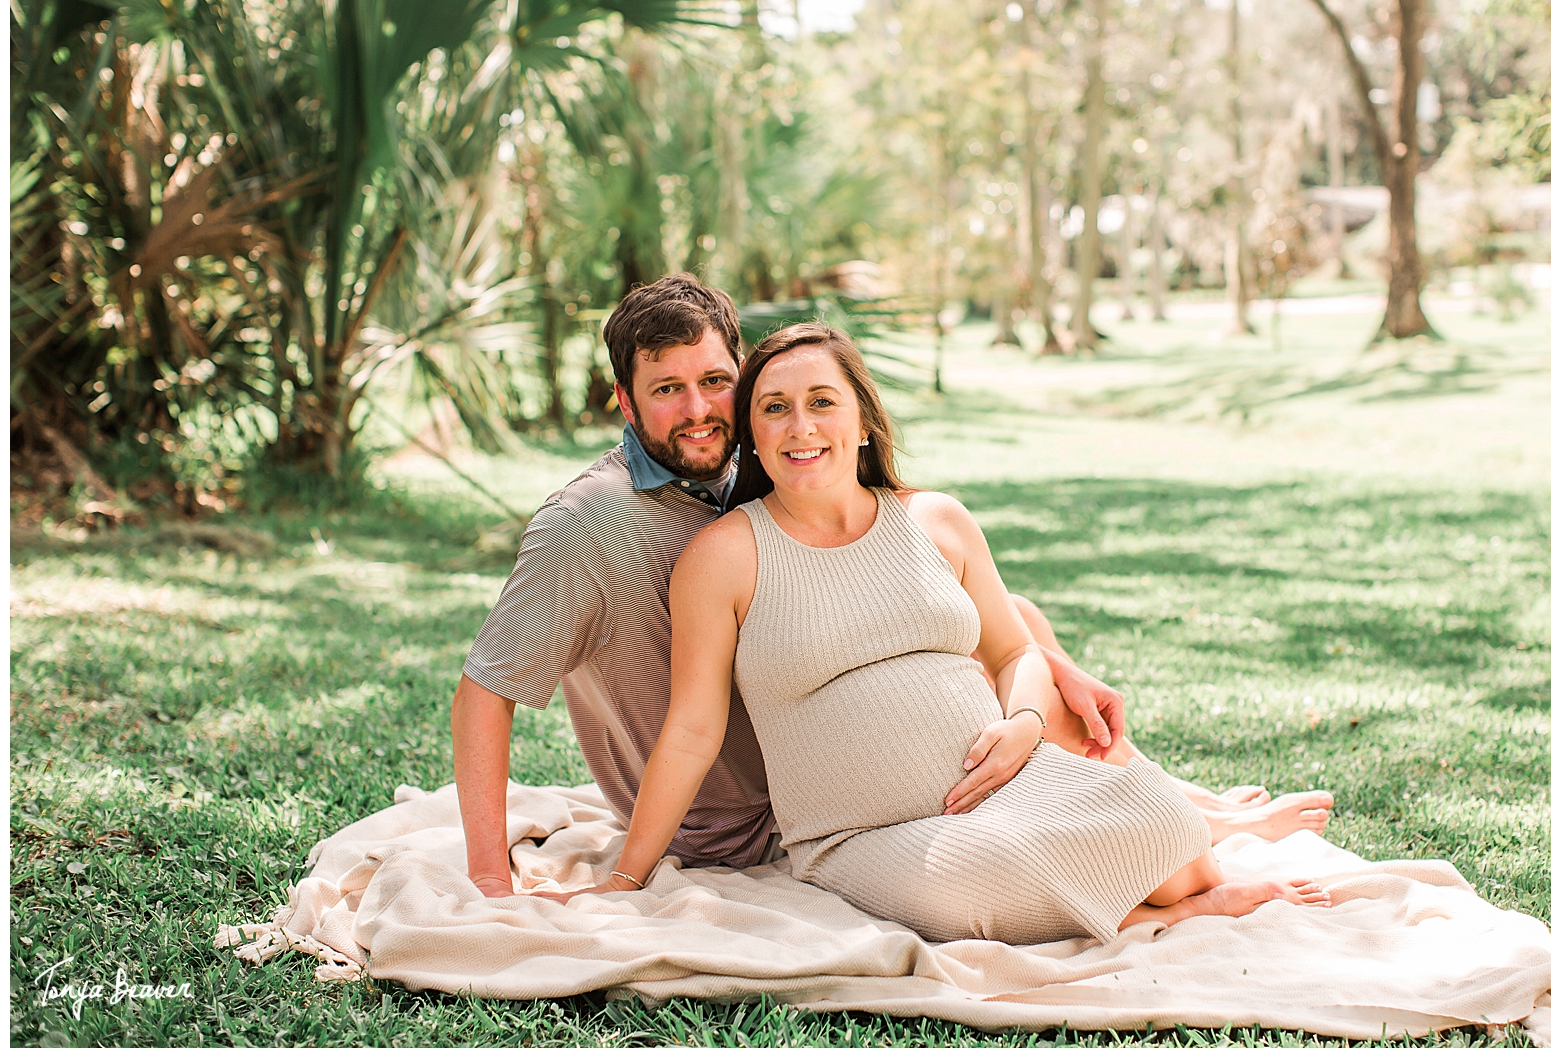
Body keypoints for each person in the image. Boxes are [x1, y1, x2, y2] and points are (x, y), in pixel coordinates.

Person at [452, 275, 1327, 902]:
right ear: (625, 401)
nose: (699, 409)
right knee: (1025, 708)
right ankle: (1189, 826)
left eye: (718, 382)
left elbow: (951, 612)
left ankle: (1189, 816)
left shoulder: (756, 483)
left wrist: (1038, 684)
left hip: (934, 765)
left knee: (1017, 625)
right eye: (667, 390)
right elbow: (521, 694)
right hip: (766, 810)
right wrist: (517, 875)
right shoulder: (599, 526)